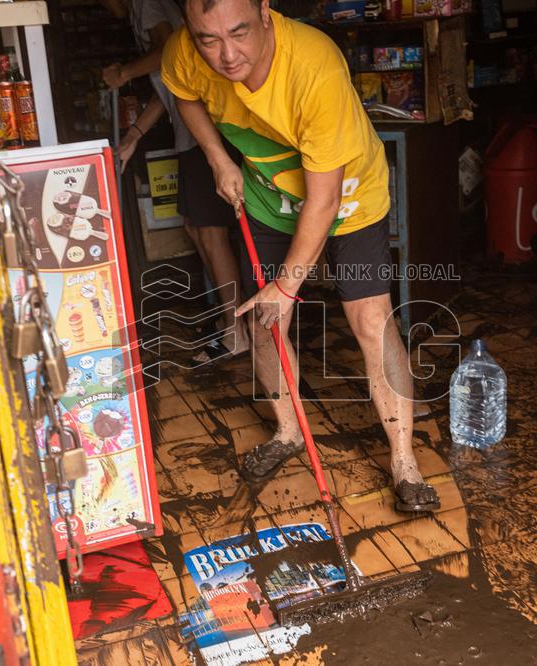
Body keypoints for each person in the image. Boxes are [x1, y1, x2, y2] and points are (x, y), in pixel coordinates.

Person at [160, 0, 440, 511]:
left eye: (239, 33)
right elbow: (185, 96)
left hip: (347, 197)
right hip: (269, 196)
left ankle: (406, 466)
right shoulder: (184, 50)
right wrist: (220, 160)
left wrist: (288, 286)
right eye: (208, 40)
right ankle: (287, 432)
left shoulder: (313, 65)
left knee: (371, 319)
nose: (225, 55)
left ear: (265, 10)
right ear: (190, 31)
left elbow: (325, 199)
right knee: (265, 316)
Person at [100, 0, 249, 360]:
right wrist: (135, 134)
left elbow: (167, 52)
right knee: (196, 227)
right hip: (191, 135)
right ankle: (229, 320)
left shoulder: (147, 5)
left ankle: (237, 332)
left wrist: (127, 72)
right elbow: (170, 85)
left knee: (210, 231)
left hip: (206, 132)